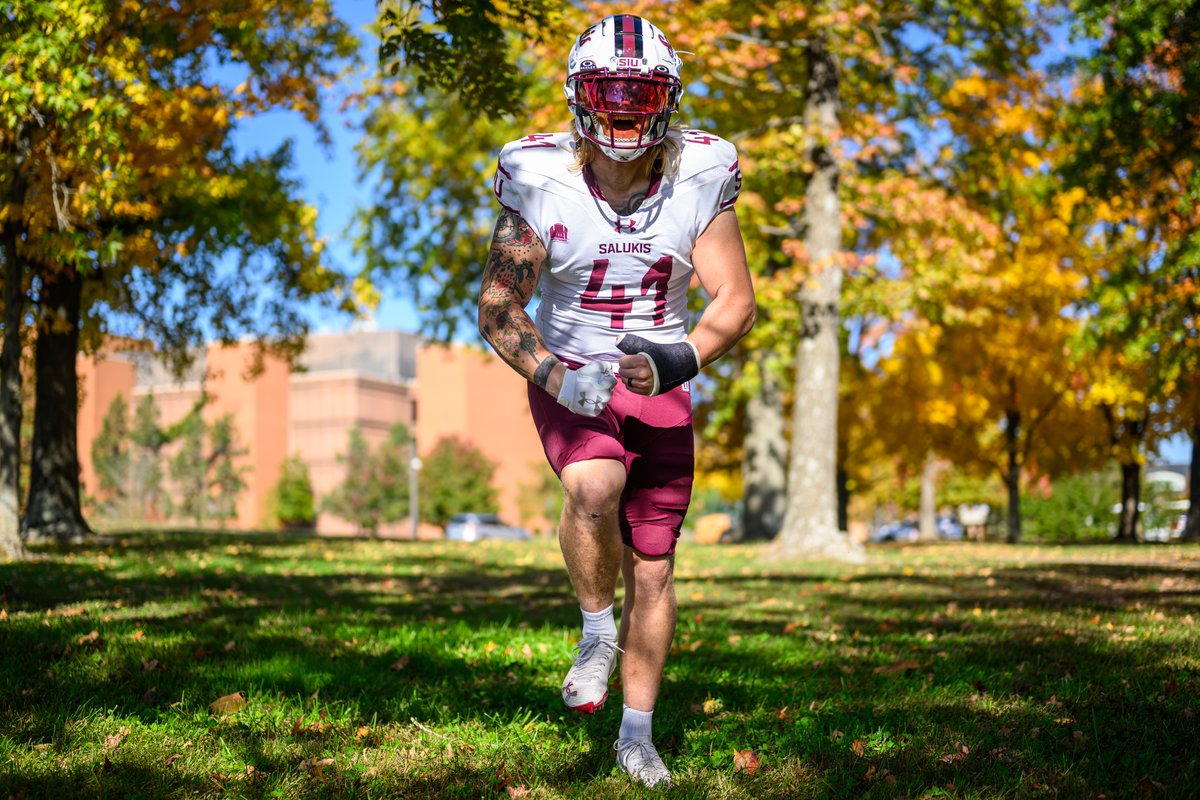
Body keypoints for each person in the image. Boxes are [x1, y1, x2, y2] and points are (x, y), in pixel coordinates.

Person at [478, 12, 755, 789]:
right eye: (610, 94)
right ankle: (597, 630)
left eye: (642, 95)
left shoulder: (700, 171)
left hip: (659, 379)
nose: (626, 112)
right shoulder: (541, 175)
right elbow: (498, 307)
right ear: (579, 96)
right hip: (570, 372)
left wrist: (678, 358)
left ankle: (637, 736)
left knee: (656, 572)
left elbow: (735, 300)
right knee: (593, 486)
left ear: (669, 100)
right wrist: (558, 379)